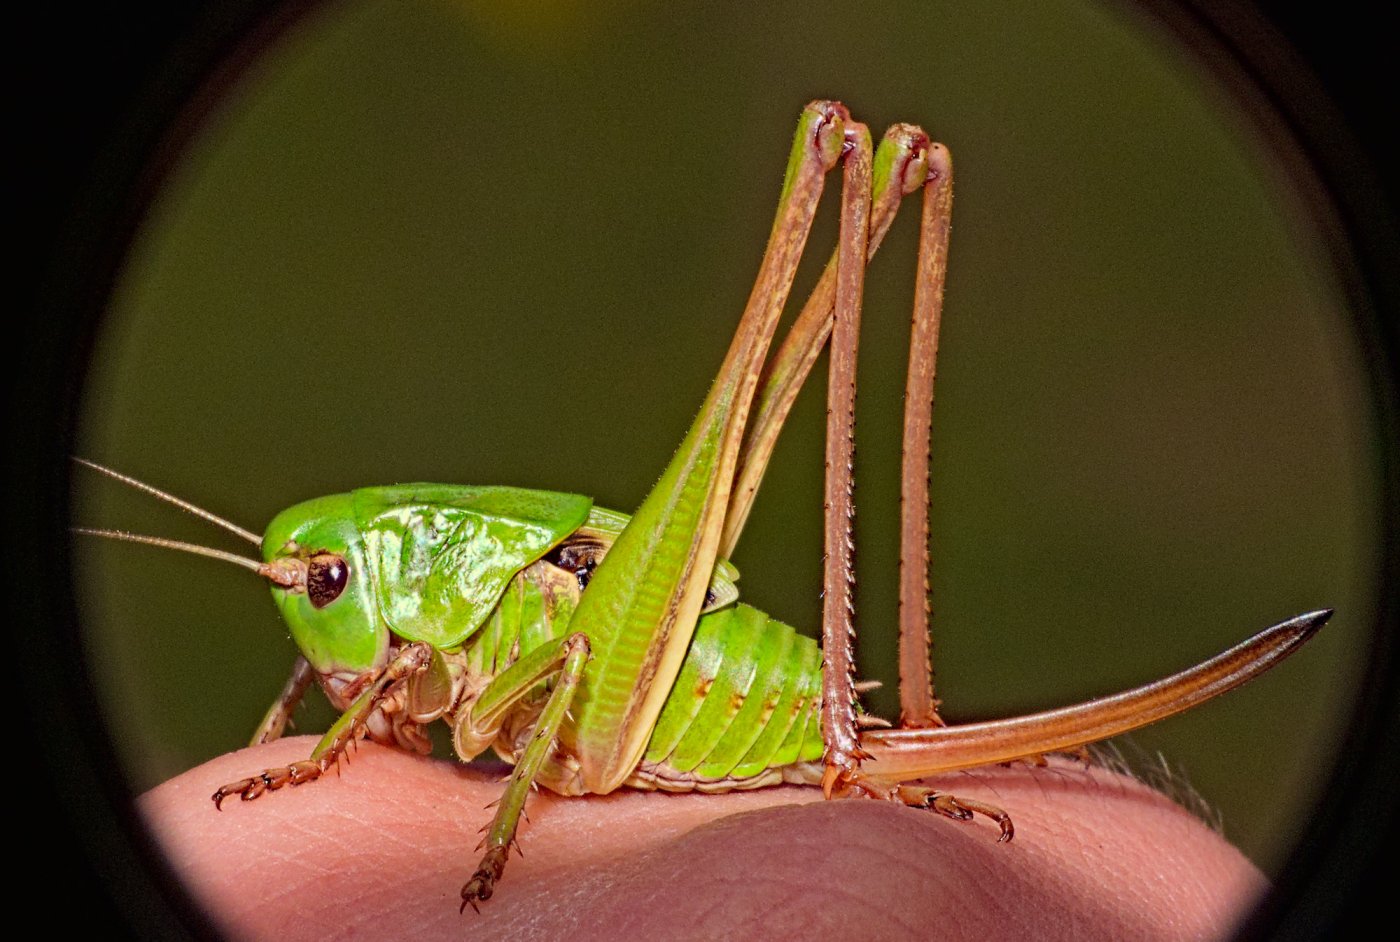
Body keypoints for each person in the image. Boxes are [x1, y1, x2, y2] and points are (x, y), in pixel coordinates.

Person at [142, 736, 1265, 940]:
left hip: (655, 676)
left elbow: (573, 667)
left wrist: (487, 857)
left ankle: (846, 727)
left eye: (332, 587)